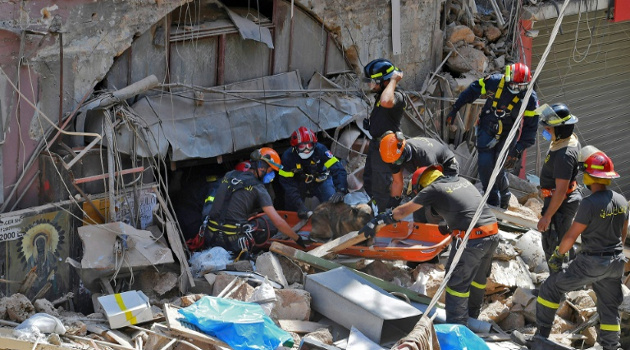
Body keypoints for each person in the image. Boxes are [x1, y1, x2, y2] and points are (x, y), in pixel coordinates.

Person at [359, 165, 499, 326]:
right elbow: (466, 208)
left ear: (422, 186)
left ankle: (457, 329)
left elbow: (402, 212)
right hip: (492, 234)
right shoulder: (461, 181)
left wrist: (378, 221)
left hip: (472, 240)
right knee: (477, 280)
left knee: (456, 285)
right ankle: (473, 318)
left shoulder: (432, 189)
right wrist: (451, 225)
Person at [533, 150, 627, 350]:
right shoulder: (621, 200)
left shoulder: (589, 203)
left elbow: (571, 236)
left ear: (589, 176)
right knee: (609, 308)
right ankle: (611, 347)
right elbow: (623, 235)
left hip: (592, 261)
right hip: (616, 262)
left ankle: (540, 337)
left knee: (551, 287)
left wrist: (558, 256)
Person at [446, 62, 540, 208]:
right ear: (507, 80)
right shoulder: (495, 82)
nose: (518, 89)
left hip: (508, 134)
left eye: (522, 86)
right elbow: (473, 89)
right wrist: (456, 108)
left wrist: (518, 149)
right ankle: (491, 199)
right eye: (515, 85)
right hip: (487, 128)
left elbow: (530, 127)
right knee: (484, 165)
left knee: (499, 167)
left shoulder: (529, 98)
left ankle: (504, 196)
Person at [202, 147, 306, 256]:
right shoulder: (258, 187)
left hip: (211, 237)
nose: (271, 175)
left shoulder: (229, 175)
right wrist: (298, 240)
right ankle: (251, 252)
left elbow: (227, 206)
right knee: (269, 222)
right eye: (270, 170)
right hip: (233, 242)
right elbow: (278, 222)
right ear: (261, 166)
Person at [535, 103, 582, 267]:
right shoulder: (566, 139)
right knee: (561, 242)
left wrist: (547, 217)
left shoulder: (564, 155)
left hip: (560, 202)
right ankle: (563, 283)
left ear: (560, 130)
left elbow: (561, 191)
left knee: (555, 246)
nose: (546, 131)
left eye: (549, 129)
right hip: (559, 200)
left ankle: (556, 288)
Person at [362, 58, 407, 212]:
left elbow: (387, 101)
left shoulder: (398, 96)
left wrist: (394, 79)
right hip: (376, 146)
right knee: (369, 181)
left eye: (374, 81)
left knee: (382, 185)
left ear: (385, 81)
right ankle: (375, 209)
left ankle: (385, 214)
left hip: (387, 148)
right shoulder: (381, 93)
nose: (370, 84)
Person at [278, 126, 348, 219]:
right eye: (302, 146)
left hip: (321, 180)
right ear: (295, 147)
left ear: (314, 144)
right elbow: (288, 184)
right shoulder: (288, 157)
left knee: (333, 204)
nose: (306, 150)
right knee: (292, 208)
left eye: (309, 145)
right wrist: (299, 205)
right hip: (299, 183)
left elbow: (338, 169)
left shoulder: (321, 150)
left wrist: (341, 190)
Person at [379, 131, 459, 212]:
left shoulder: (424, 157)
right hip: (423, 163)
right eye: (392, 162)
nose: (394, 164)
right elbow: (397, 182)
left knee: (441, 199)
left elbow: (433, 188)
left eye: (397, 161)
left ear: (404, 151)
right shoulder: (393, 156)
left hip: (446, 165)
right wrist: (392, 206)